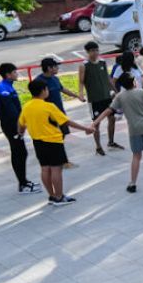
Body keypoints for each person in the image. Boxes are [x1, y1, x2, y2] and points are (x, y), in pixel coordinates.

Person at [17, 78, 94, 206]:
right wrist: (86, 128)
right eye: (46, 89)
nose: (47, 91)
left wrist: (20, 133)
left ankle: (52, 196)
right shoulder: (48, 106)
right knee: (56, 169)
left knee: (45, 169)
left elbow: (21, 124)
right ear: (43, 91)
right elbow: (66, 122)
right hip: (53, 142)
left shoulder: (27, 106)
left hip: (38, 142)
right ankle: (59, 197)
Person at [93, 74, 143, 193]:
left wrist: (95, 122)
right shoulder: (141, 92)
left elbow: (109, 110)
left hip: (134, 130)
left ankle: (132, 184)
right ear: (134, 82)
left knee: (136, 156)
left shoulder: (120, 97)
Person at [0, 63, 41, 195]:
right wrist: (20, 124)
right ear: (8, 74)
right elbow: (11, 111)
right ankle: (22, 184)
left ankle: (24, 180)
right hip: (11, 125)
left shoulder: (8, 86)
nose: (17, 74)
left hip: (15, 124)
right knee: (18, 152)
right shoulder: (2, 88)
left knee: (22, 152)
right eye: (15, 72)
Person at [77, 42, 121, 156]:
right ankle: (98, 147)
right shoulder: (84, 65)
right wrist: (80, 94)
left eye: (97, 50)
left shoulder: (102, 62)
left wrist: (116, 92)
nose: (95, 52)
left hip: (107, 97)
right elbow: (81, 81)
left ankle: (111, 142)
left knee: (112, 119)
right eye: (92, 50)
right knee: (96, 123)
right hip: (94, 99)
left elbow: (107, 78)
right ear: (87, 52)